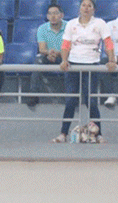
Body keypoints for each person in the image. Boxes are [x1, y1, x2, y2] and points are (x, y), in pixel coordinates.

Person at [53, 0, 116, 143]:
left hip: (91, 65)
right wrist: (64, 59)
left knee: (91, 102)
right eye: (83, 5)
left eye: (89, 6)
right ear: (79, 8)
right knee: (70, 101)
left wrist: (111, 60)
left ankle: (99, 134)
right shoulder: (71, 24)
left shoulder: (100, 24)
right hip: (73, 65)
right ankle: (63, 134)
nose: (86, 8)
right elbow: (66, 44)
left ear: (94, 9)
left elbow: (108, 43)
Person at [26, 3, 66, 108]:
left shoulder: (69, 27)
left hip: (65, 56)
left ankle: (72, 96)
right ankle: (33, 95)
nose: (53, 16)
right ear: (47, 16)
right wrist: (49, 53)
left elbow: (71, 48)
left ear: (61, 15)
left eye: (56, 13)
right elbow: (42, 49)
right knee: (39, 59)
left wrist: (57, 54)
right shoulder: (42, 28)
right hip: (48, 56)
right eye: (50, 14)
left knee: (73, 60)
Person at [104, 10, 118, 107]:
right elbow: (107, 45)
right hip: (113, 56)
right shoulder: (110, 25)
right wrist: (112, 57)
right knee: (102, 62)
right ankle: (112, 94)